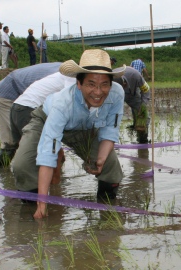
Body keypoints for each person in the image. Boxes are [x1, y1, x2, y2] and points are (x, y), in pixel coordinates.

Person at [11, 49, 126, 219]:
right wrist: (42, 202)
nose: (98, 92)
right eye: (91, 84)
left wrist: (100, 160)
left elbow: (110, 130)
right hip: (46, 120)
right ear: (78, 83)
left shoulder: (117, 94)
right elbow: (48, 152)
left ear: (111, 83)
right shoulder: (63, 103)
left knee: (111, 167)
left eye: (104, 84)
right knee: (22, 165)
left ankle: (106, 212)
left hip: (83, 128)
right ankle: (34, 209)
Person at [0, 63, 61, 167]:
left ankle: (5, 176)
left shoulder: (63, 69)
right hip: (7, 96)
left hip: (21, 94)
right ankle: (2, 174)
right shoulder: (64, 76)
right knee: (14, 143)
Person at [113, 66, 150, 143]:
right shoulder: (110, 77)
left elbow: (146, 90)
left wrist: (143, 106)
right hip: (114, 95)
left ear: (124, 83)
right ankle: (111, 139)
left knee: (141, 113)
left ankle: (142, 138)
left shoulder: (136, 76)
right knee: (112, 116)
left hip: (130, 93)